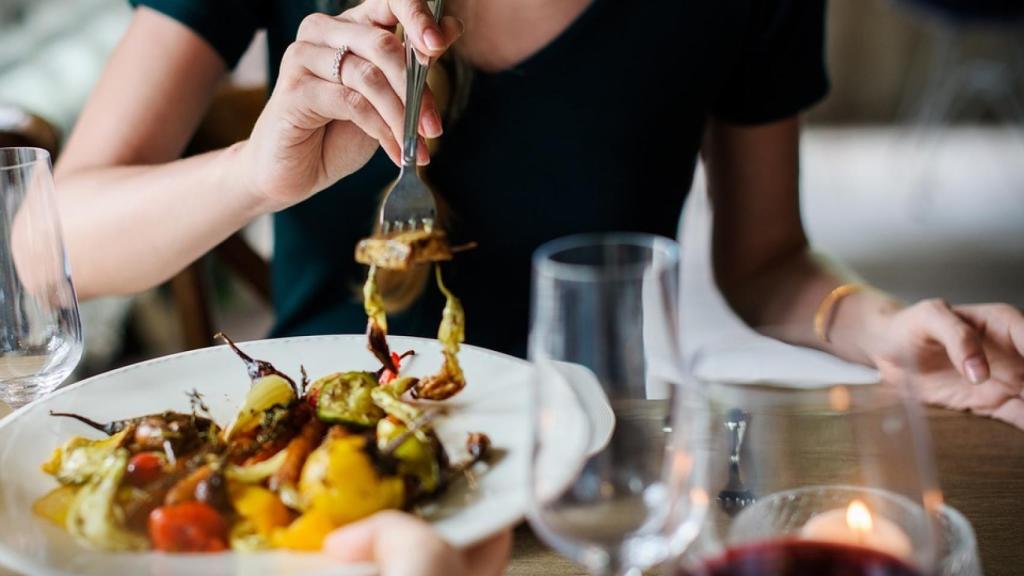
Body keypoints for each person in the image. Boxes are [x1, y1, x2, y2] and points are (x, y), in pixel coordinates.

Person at [52, 0, 1024, 568]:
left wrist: (874, 326)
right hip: (318, 518)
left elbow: (766, 259)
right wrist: (256, 173)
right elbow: (45, 242)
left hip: (597, 501)